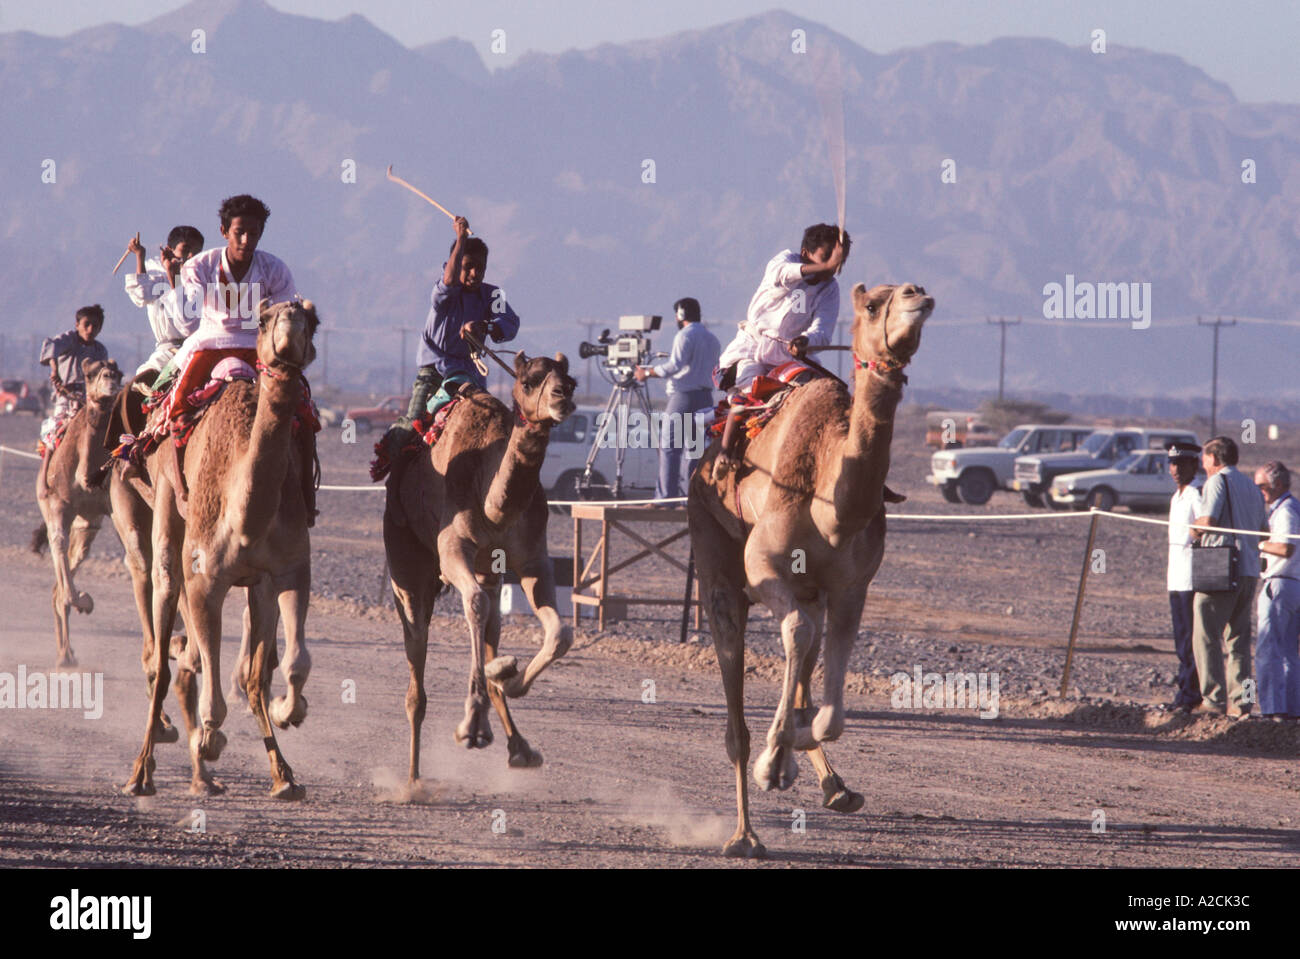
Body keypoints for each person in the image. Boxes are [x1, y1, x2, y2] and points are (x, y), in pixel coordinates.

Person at [713, 223, 849, 478]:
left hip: (789, 355)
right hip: (751, 349)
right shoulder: (784, 261)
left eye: (838, 262)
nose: (834, 268)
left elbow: (823, 330)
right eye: (826, 257)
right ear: (806, 253)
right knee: (748, 395)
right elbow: (784, 274)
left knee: (826, 394)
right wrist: (827, 266)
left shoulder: (830, 289)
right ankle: (725, 452)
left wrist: (806, 341)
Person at [383, 214, 519, 459]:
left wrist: (485, 327)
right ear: (454, 266)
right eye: (468, 267)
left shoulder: (492, 295)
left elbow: (510, 323)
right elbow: (449, 280)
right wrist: (459, 239)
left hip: (471, 376)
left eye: (480, 268)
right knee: (412, 425)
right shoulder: (444, 292)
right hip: (434, 372)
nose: (475, 273)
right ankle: (395, 484)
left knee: (492, 427)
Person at [1190, 435, 1268, 717]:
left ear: (1214, 458)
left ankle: (1212, 700)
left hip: (1222, 569)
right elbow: (1264, 531)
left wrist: (1193, 528)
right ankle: (1242, 703)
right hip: (1248, 570)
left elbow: (1207, 521)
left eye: (1204, 458)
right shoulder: (1251, 486)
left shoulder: (1216, 481)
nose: (1203, 464)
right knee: (1238, 641)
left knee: (1205, 633)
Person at [635, 297, 720, 500]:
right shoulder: (712, 339)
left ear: (680, 315)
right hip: (705, 398)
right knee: (695, 450)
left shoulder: (685, 335)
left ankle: (665, 497)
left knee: (670, 447)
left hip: (684, 397)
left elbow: (674, 366)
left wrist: (647, 372)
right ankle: (691, 498)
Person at [122, 225, 205, 382]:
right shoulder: (157, 274)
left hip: (198, 349)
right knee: (138, 388)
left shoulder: (202, 278)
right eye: (185, 249)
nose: (191, 255)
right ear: (169, 250)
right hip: (167, 353)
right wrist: (140, 255)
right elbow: (141, 294)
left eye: (196, 251)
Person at [1253, 461, 1300, 719]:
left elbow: (1285, 548)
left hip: (1280, 582)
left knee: (1270, 649)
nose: (1259, 492)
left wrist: (1258, 543)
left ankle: (1273, 709)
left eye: (1262, 486)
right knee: (1288, 651)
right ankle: (1290, 709)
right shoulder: (1287, 508)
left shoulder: (1287, 510)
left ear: (1277, 484)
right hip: (1291, 584)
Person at [1165, 441, 1203, 712]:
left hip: (1190, 574)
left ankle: (1191, 694)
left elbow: (1204, 523)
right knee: (1180, 636)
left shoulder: (1195, 493)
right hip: (1175, 574)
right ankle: (1185, 690)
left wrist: (1190, 539)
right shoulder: (1176, 496)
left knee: (1190, 637)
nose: (1176, 469)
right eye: (1173, 464)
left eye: (1181, 464)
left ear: (1194, 465)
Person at [38, 305, 109, 447]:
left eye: (95, 326)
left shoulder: (100, 350)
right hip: (65, 400)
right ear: (77, 325)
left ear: (100, 329)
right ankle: (46, 469)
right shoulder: (70, 339)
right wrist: (54, 370)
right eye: (86, 324)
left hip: (89, 402)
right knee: (55, 437)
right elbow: (51, 345)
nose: (90, 329)